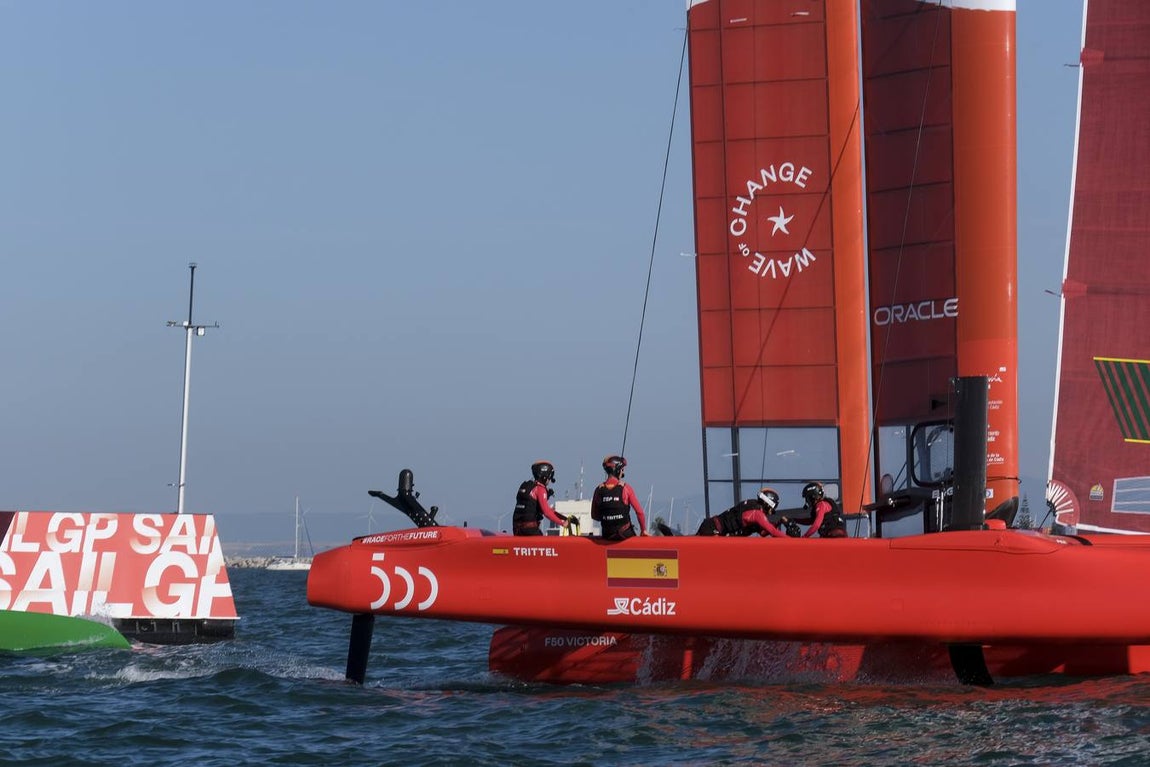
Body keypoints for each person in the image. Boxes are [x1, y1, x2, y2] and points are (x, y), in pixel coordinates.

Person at [591, 455, 646, 540]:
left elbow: (594, 516)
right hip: (624, 534)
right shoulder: (626, 488)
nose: (623, 473)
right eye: (622, 470)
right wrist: (643, 530)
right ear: (617, 470)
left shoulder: (598, 489)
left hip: (607, 535)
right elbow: (640, 513)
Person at [696, 487, 788, 537]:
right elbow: (771, 530)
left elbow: (763, 533)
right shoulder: (757, 513)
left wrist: (778, 523)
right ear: (768, 504)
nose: (770, 513)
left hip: (711, 527)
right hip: (713, 530)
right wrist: (791, 540)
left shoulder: (753, 507)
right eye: (772, 509)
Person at [512, 460, 570, 536]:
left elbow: (543, 509)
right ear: (545, 476)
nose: (549, 480)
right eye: (549, 477)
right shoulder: (540, 489)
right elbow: (546, 512)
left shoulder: (526, 487)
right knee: (546, 545)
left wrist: (563, 517)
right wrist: (562, 523)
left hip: (517, 529)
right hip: (530, 530)